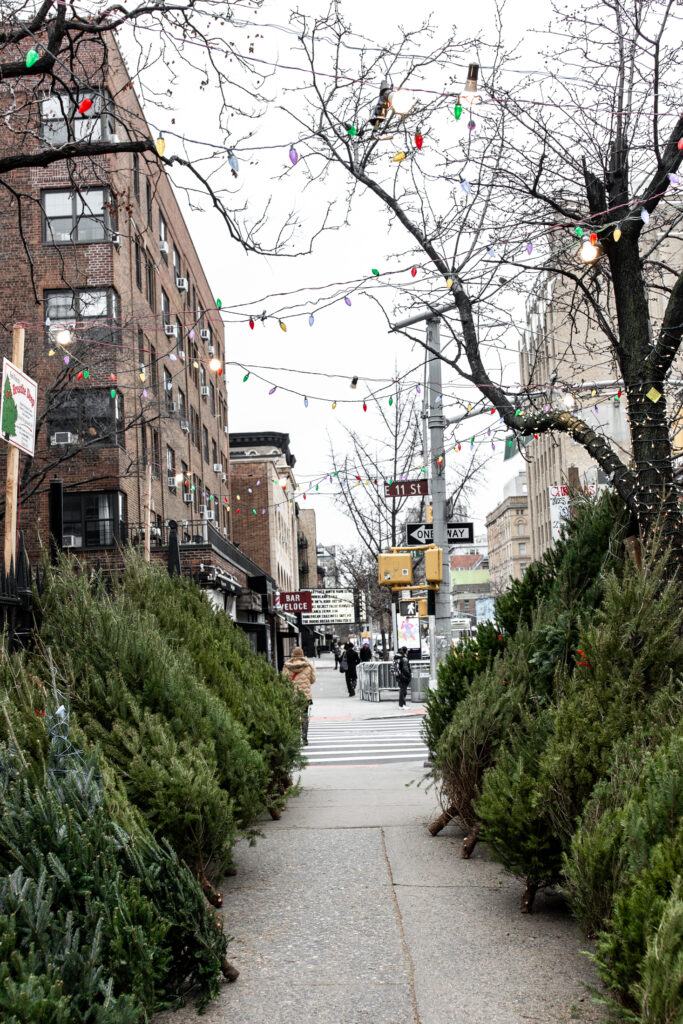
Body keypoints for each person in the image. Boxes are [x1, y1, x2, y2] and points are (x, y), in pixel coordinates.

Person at [282, 646, 316, 745]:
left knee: (294, 716)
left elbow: (283, 681)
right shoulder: (308, 666)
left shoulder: (287, 666)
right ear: (302, 654)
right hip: (305, 696)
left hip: (292, 696)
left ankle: (296, 739)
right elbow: (312, 680)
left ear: (293, 654)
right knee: (305, 716)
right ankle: (304, 738)